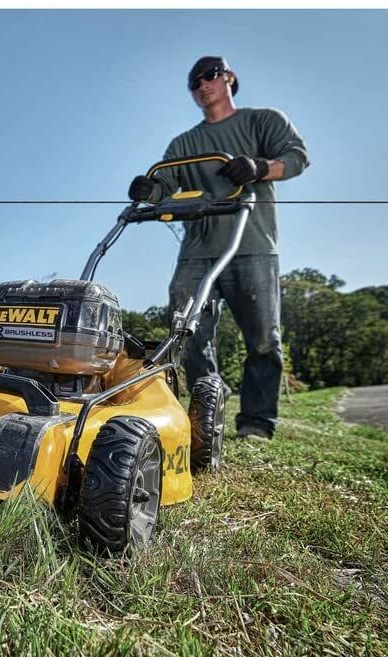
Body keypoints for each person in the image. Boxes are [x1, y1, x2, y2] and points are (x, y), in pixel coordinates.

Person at [128, 56, 310, 440]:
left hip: (253, 243)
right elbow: (165, 185)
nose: (202, 85)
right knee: (185, 330)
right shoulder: (184, 143)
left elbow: (297, 157)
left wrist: (259, 168)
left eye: (210, 76)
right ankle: (208, 407)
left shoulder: (261, 121)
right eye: (194, 82)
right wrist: (148, 190)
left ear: (229, 77)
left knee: (263, 337)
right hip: (198, 250)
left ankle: (257, 422)